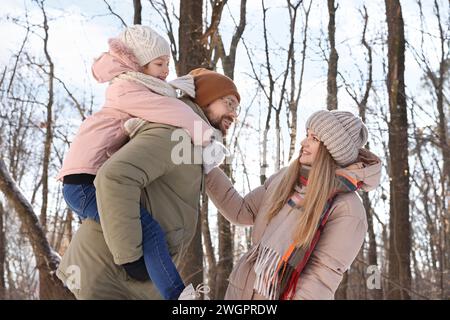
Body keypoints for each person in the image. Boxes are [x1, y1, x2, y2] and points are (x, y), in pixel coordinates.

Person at [56, 25, 224, 300]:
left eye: (168, 64)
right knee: (147, 231)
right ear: (138, 63)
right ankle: (178, 296)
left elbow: (158, 102)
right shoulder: (126, 89)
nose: (166, 70)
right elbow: (167, 109)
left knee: (123, 224)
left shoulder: (134, 88)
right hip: (83, 183)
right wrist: (205, 136)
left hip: (83, 180)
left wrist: (174, 90)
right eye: (159, 64)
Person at [204, 110, 382, 299]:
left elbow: (320, 276)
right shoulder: (285, 179)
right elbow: (242, 211)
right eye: (307, 135)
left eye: (314, 138)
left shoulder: (347, 208)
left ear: (332, 150)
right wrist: (206, 167)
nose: (303, 142)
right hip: (240, 291)